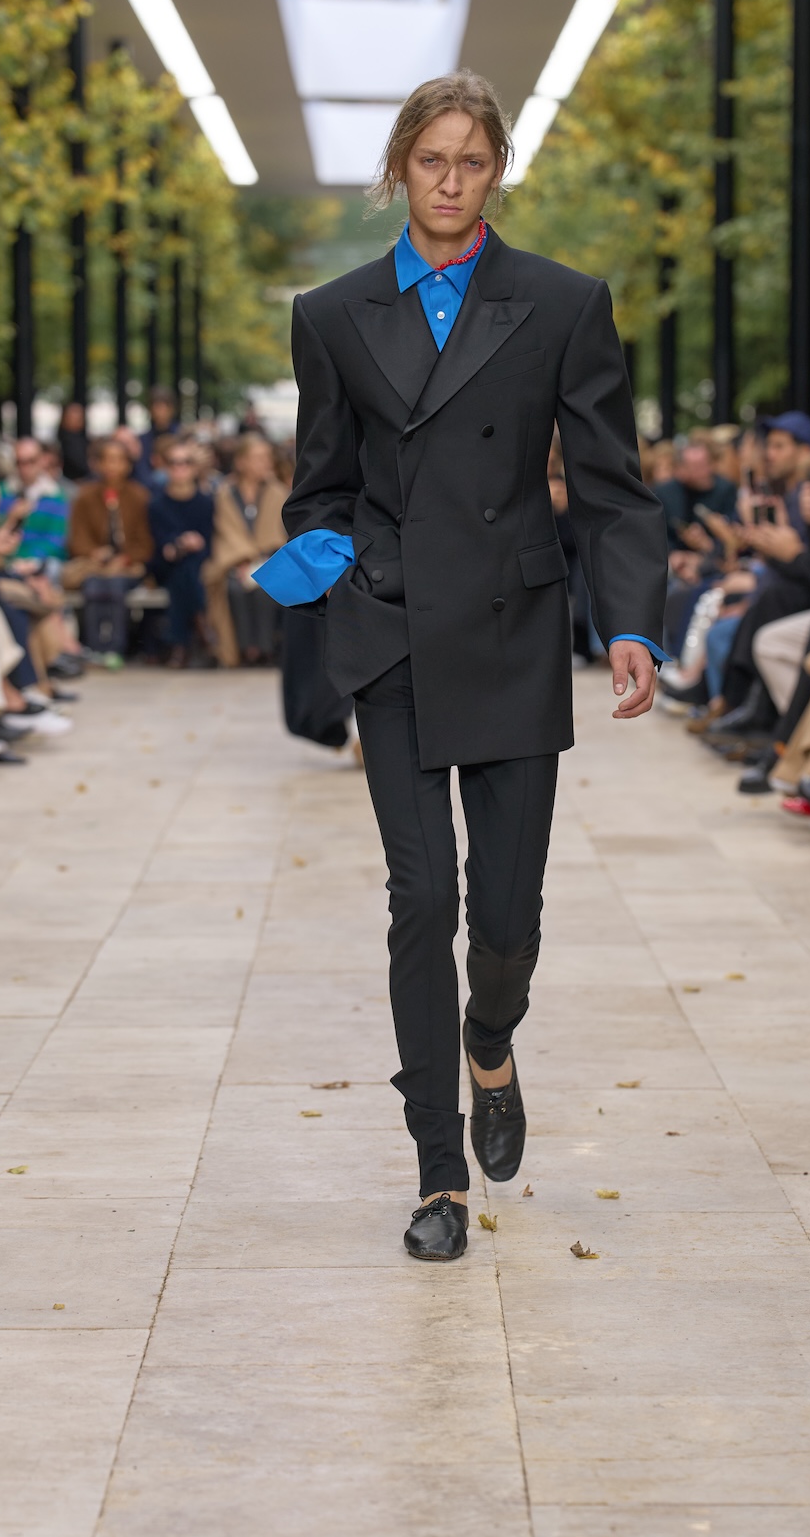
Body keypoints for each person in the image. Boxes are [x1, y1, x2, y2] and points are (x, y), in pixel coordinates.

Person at [254, 70, 666, 1263]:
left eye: (470, 161)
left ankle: (492, 1039)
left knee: (506, 914)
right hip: (392, 632)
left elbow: (613, 487)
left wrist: (630, 624)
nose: (449, 181)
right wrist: (332, 559)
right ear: (399, 168)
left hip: (513, 628)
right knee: (422, 897)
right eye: (430, 160)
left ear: (497, 172)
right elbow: (320, 485)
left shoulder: (562, 304)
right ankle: (437, 1169)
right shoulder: (333, 314)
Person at [65, 437, 153, 662]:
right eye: (108, 460)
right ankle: (95, 647)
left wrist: (125, 559)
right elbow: (77, 538)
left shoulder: (139, 496)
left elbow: (145, 542)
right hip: (94, 565)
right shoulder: (85, 496)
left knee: (115, 585)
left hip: (128, 566)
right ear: (98, 464)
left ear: (128, 465)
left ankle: (115, 647)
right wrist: (94, 553)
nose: (113, 466)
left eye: (119, 460)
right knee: (94, 585)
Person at [205, 434, 287, 667]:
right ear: (241, 462)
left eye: (267, 457)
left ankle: (264, 648)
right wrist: (242, 560)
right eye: (257, 458)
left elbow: (279, 533)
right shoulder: (224, 493)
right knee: (233, 589)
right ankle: (242, 649)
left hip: (270, 560)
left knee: (264, 589)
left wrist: (259, 560)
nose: (265, 463)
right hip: (233, 561)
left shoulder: (278, 492)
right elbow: (225, 531)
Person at [149, 441, 215, 666]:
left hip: (196, 565)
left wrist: (190, 544)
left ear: (195, 467)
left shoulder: (206, 503)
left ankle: (179, 644)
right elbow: (158, 545)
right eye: (174, 463)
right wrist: (179, 544)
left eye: (186, 462)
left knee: (184, 573)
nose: (180, 468)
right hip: (166, 565)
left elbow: (209, 543)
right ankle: (201, 625)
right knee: (182, 570)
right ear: (165, 467)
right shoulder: (156, 504)